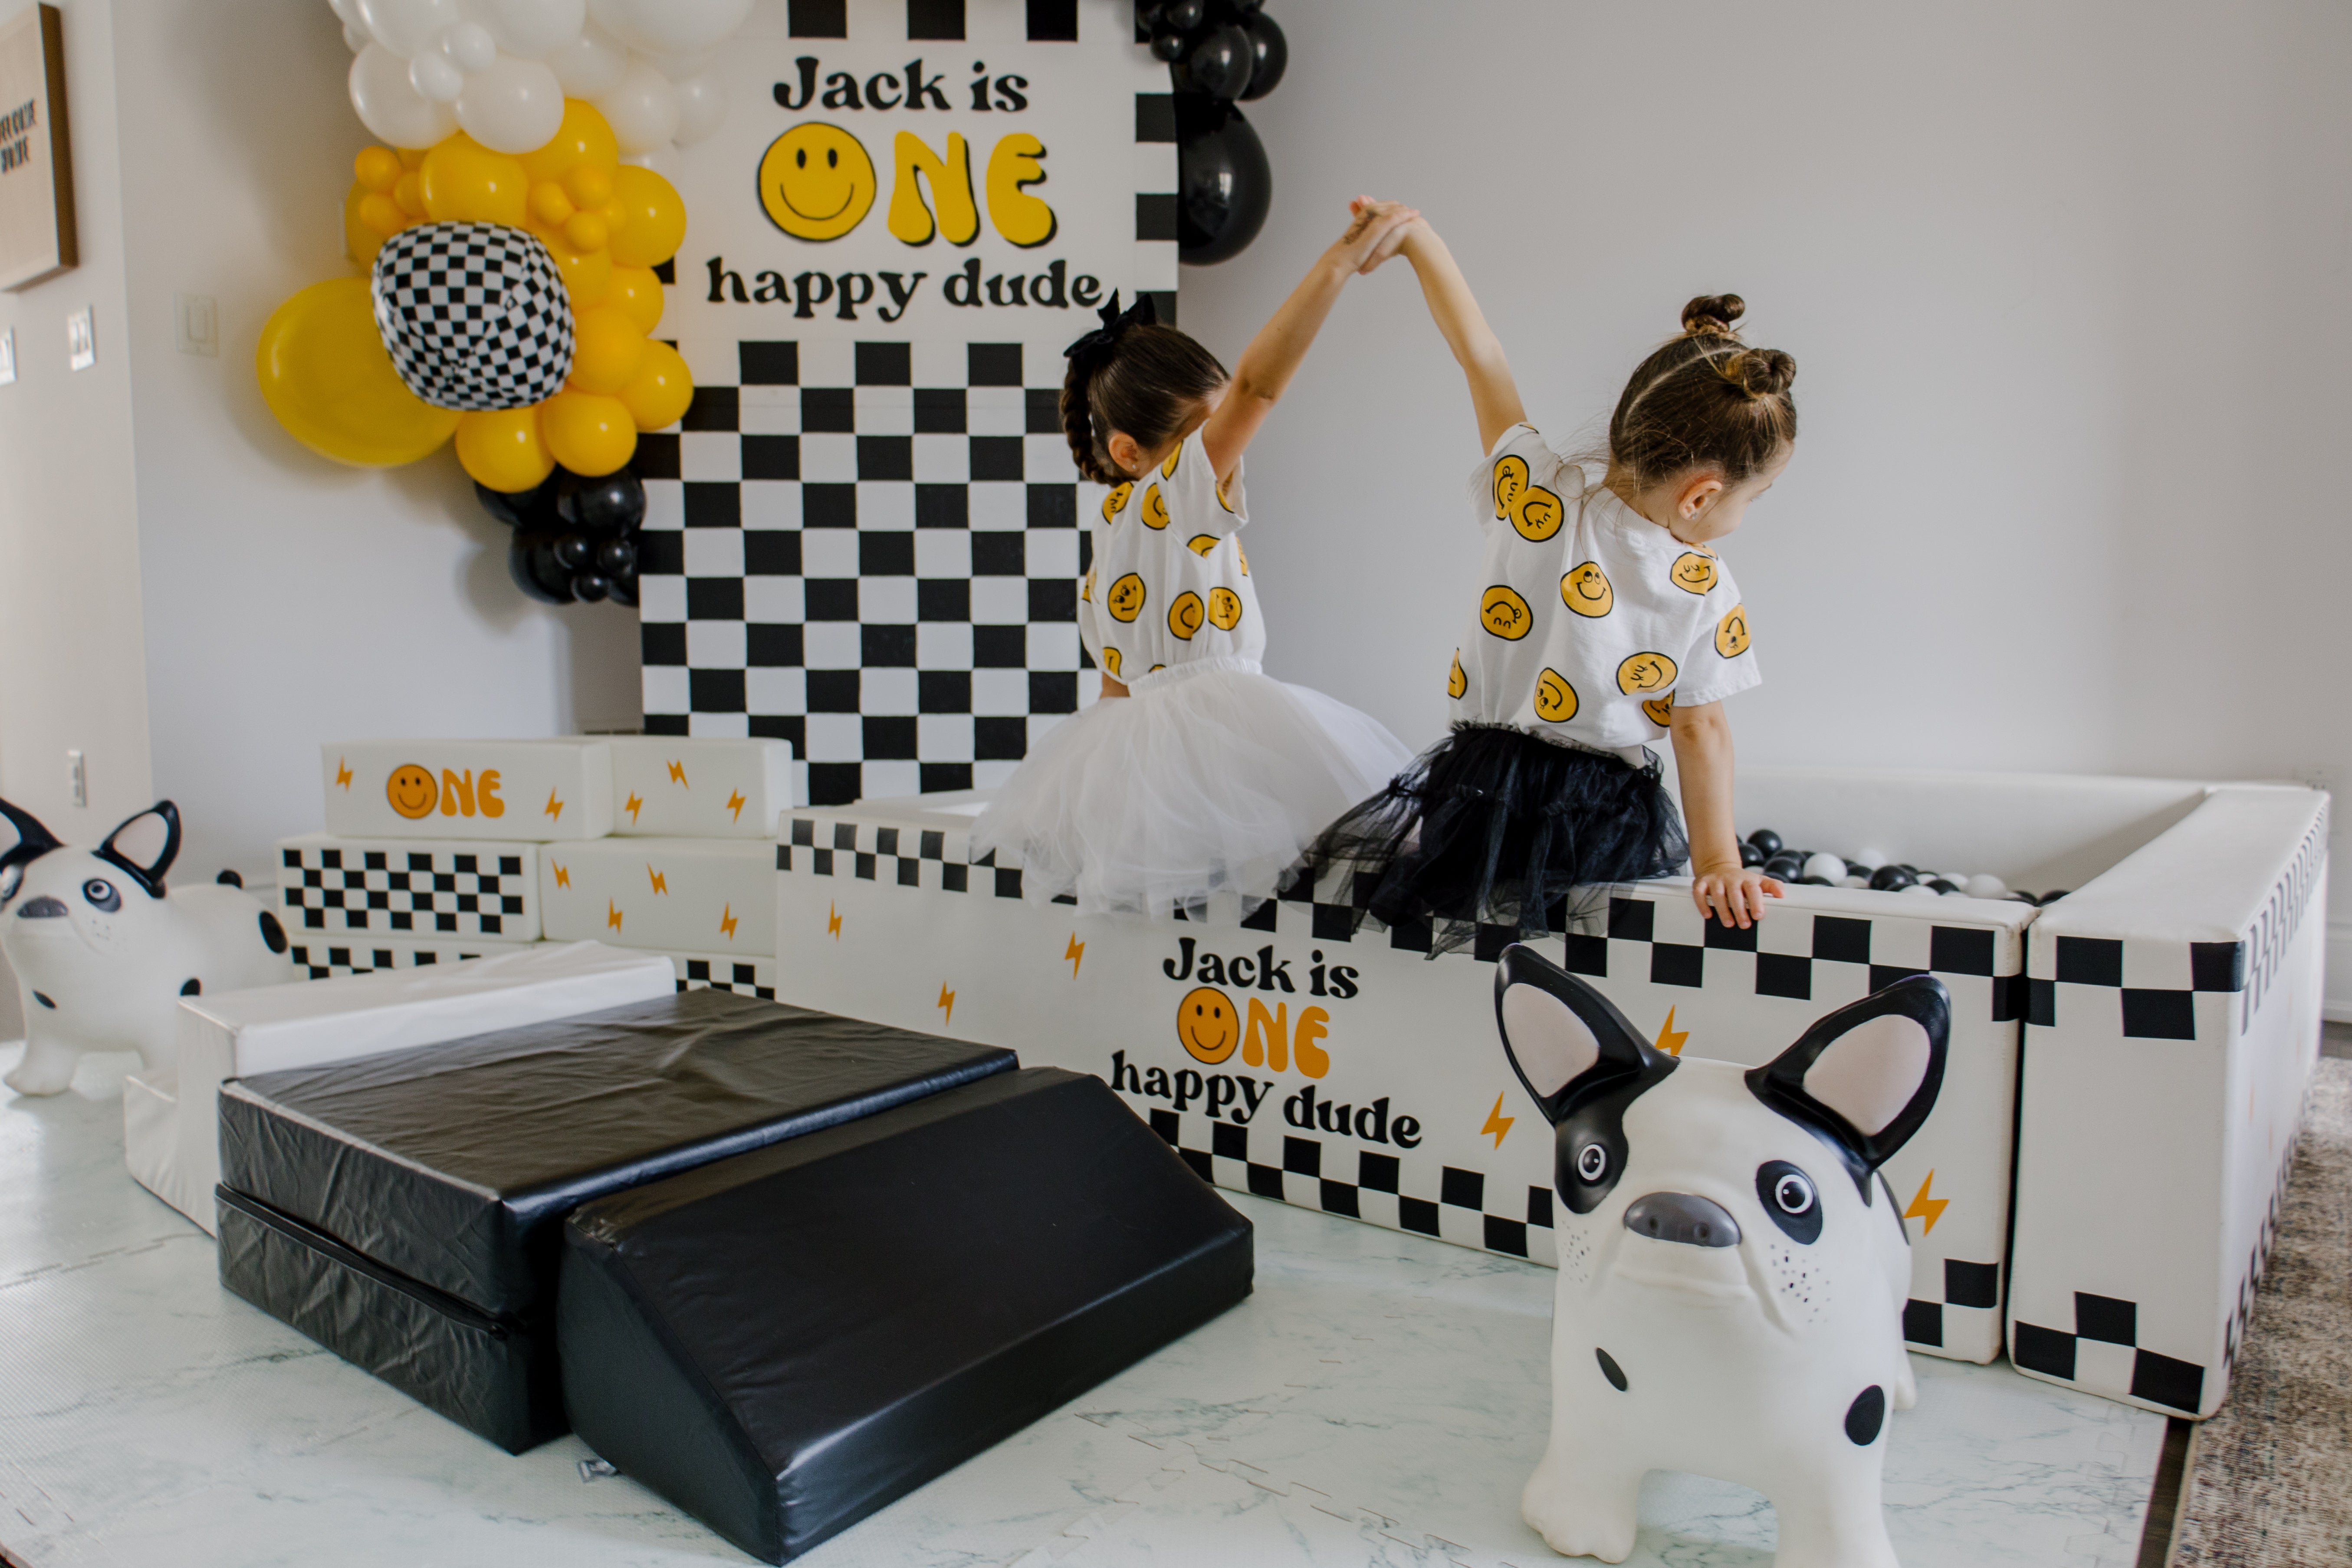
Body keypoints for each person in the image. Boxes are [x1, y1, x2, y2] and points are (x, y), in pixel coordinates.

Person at [1316, 210, 1793, 949]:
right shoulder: (1702, 585)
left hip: (1478, 787)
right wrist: (1719, 861)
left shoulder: (1537, 489)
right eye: (1753, 499)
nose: (1744, 517)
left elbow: (1481, 356)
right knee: (1574, 958)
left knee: (1465, 942)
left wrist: (1422, 243)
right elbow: (1700, 729)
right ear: (1701, 495)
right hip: (1595, 810)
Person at [970, 203, 1419, 917]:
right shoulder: (1174, 491)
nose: (1227, 453)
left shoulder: (1109, 534)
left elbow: (1115, 690)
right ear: (1129, 451)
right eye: (1210, 439)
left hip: (1139, 756)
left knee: (1188, 920)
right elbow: (1259, 388)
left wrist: (1102, 807)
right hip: (1220, 733)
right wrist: (1339, 260)